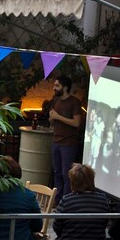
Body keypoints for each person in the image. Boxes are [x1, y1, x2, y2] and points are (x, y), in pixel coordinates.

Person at [49, 75, 82, 203]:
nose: (54, 88)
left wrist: (58, 117)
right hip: (56, 141)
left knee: (66, 174)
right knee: (57, 172)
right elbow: (52, 122)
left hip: (68, 143)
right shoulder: (55, 101)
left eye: (57, 86)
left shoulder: (74, 102)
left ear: (65, 87)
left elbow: (76, 123)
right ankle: (57, 199)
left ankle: (66, 201)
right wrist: (52, 118)